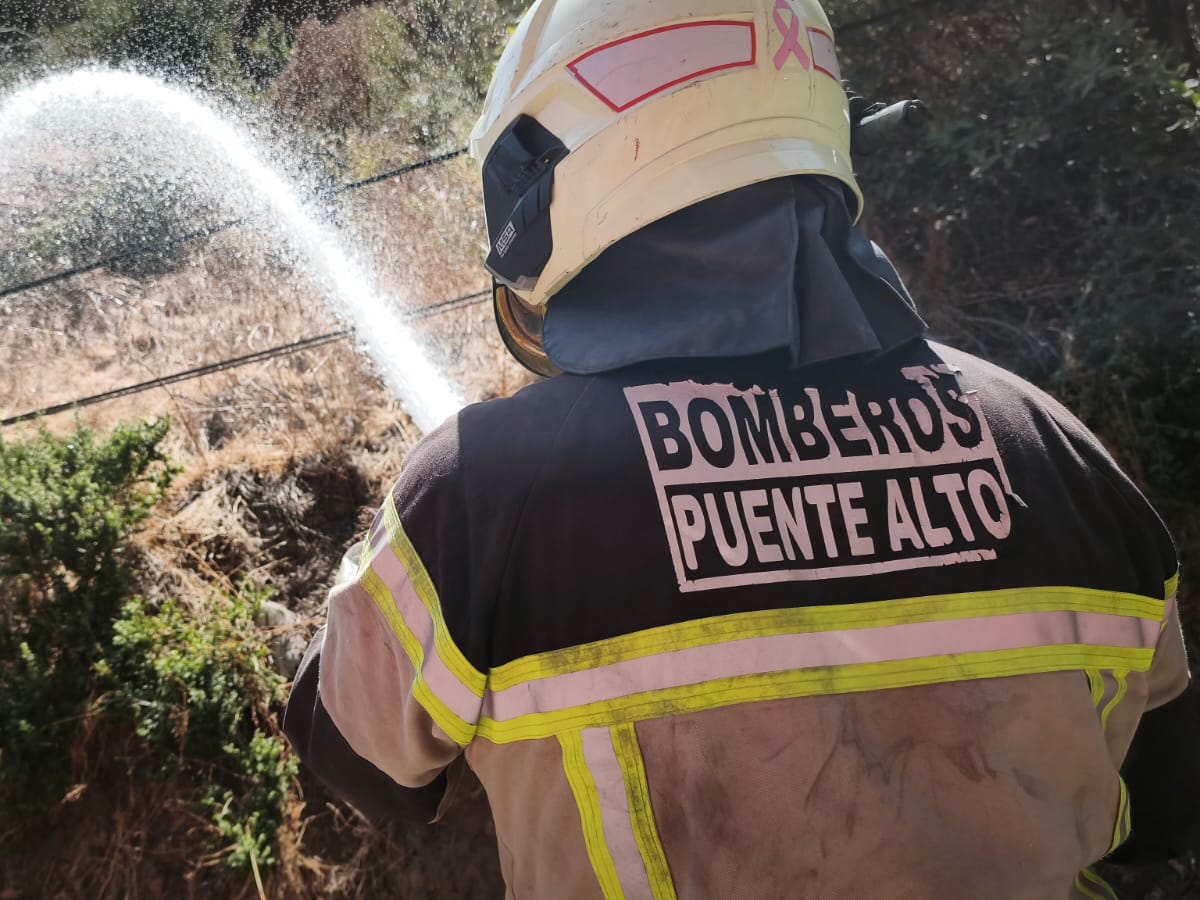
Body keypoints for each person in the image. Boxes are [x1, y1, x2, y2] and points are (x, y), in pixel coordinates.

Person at [282, 0, 1196, 897]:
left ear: (549, 178)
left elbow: (356, 759)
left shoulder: (481, 497)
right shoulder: (1061, 455)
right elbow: (1160, 810)